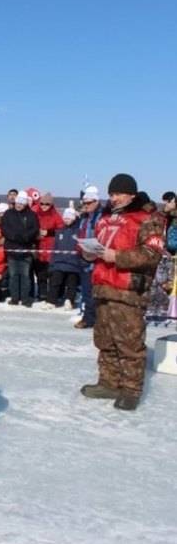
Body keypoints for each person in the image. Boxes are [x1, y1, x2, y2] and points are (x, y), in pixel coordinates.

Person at [80, 174, 164, 411]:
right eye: (111, 194)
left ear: (131, 194)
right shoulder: (106, 218)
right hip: (103, 287)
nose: (113, 198)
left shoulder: (148, 219)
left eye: (118, 194)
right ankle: (109, 383)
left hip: (128, 290)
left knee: (129, 343)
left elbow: (152, 254)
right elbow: (99, 245)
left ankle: (131, 390)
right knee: (104, 340)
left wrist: (117, 257)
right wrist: (89, 252)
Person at [0, 190, 39, 307]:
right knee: (13, 276)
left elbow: (34, 229)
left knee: (25, 276)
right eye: (17, 202)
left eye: (21, 203)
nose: (19, 205)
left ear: (25, 203)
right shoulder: (8, 214)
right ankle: (15, 298)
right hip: (12, 249)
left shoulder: (31, 215)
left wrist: (25, 238)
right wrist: (13, 237)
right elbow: (4, 228)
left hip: (25, 250)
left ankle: (26, 298)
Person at [75, 186, 103, 328]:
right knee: (86, 291)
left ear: (96, 201)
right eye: (84, 203)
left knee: (98, 292)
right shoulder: (83, 217)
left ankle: (99, 319)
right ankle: (88, 318)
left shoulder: (102, 216)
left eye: (89, 203)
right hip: (84, 257)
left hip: (98, 257)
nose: (86, 206)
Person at [45, 207, 80, 309]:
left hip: (73, 263)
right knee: (55, 282)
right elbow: (55, 248)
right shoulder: (60, 232)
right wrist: (52, 263)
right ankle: (51, 300)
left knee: (71, 284)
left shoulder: (78, 231)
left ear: (73, 218)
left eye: (69, 218)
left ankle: (69, 300)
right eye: (65, 218)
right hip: (59, 262)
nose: (67, 219)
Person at [33, 193, 64, 301]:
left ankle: (53, 295)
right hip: (39, 246)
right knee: (40, 273)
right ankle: (42, 294)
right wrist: (36, 234)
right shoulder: (35, 213)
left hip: (51, 248)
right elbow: (30, 227)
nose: (44, 206)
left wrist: (49, 232)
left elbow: (61, 229)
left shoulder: (55, 215)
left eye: (47, 204)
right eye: (42, 203)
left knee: (52, 274)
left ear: (51, 205)